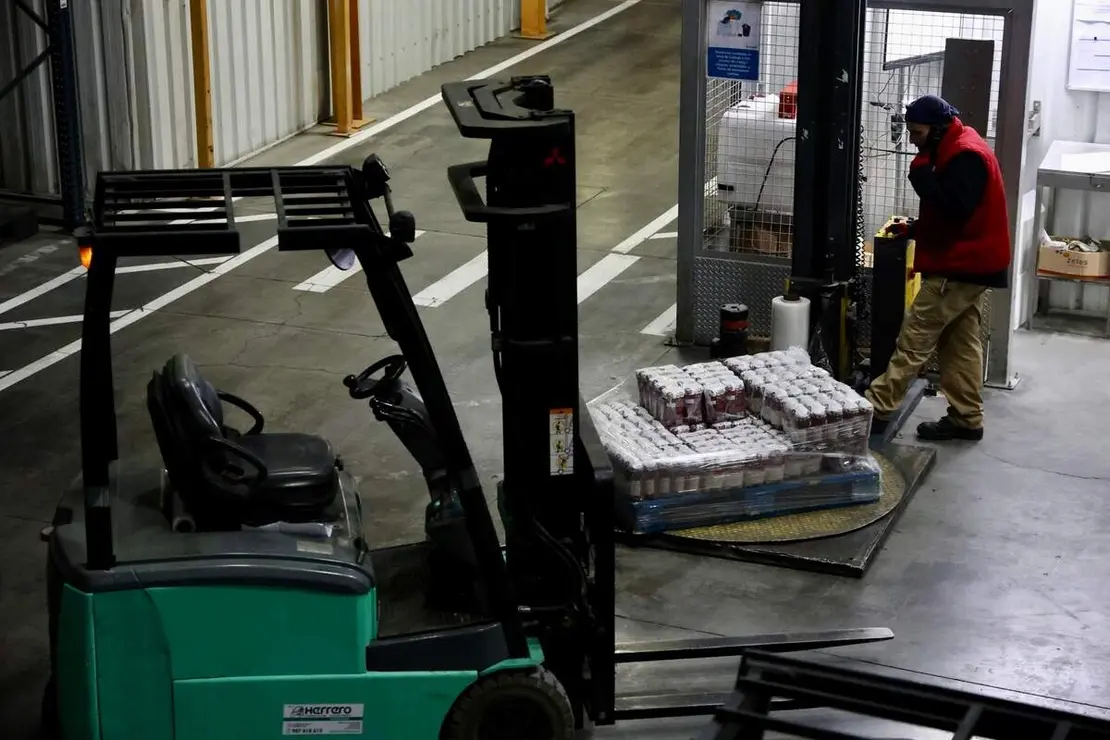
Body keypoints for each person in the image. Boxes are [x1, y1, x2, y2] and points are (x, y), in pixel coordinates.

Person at [865, 94, 1011, 441]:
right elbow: (953, 210)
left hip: (959, 265)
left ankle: (875, 410)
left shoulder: (965, 156)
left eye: (917, 132)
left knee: (915, 337)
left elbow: (954, 209)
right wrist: (916, 229)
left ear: (937, 129)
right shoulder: (958, 145)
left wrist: (920, 175)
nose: (913, 139)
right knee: (959, 344)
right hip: (972, 262)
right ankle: (966, 418)